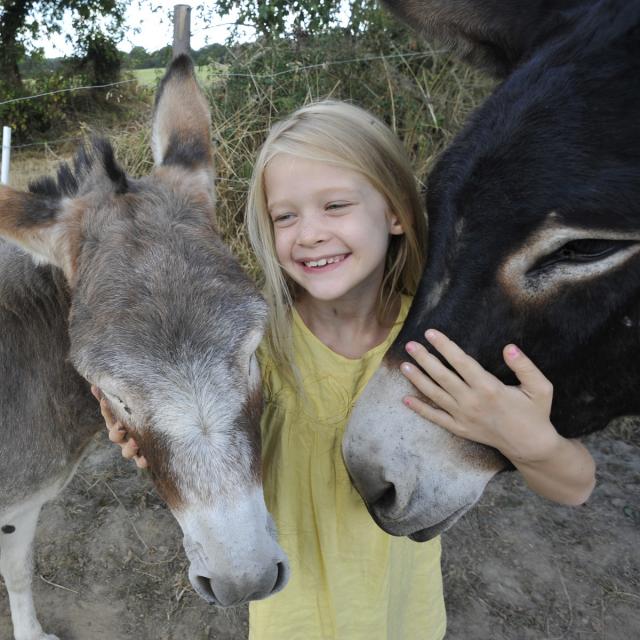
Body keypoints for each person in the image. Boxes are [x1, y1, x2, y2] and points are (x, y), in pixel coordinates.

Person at [96, 99, 596, 640]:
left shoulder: (445, 346)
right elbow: (198, 432)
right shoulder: (255, 348)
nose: (308, 233)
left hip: (405, 619)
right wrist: (140, 425)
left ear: (396, 213)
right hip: (294, 623)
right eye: (284, 216)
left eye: (335, 205)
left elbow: (574, 487)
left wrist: (533, 442)